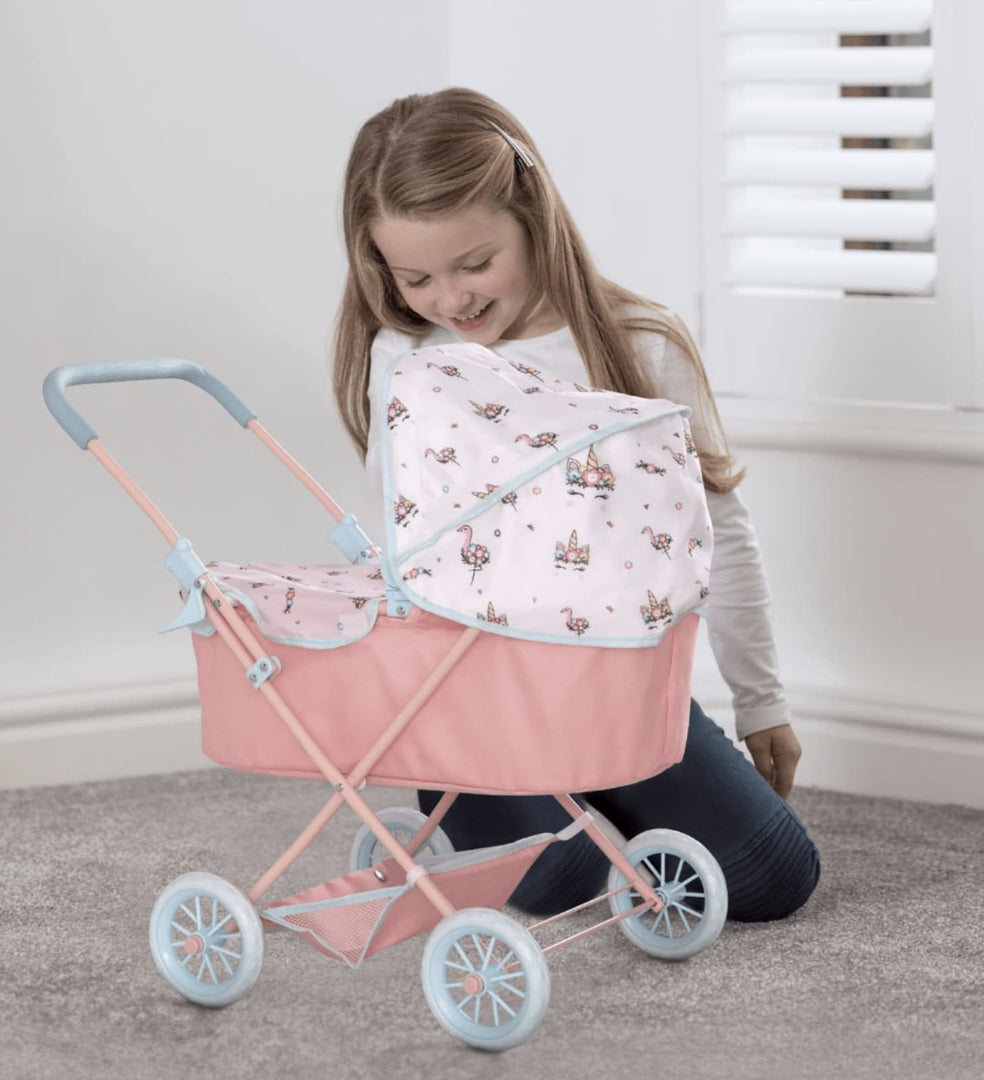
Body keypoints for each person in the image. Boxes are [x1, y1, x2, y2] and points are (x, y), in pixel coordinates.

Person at [332, 87, 819, 922]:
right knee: (553, 884)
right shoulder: (404, 355)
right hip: (473, 689)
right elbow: (397, 539)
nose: (452, 300)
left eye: (476, 264)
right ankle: (572, 814)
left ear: (533, 215)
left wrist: (761, 697)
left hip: (615, 682)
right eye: (416, 277)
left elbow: (718, 533)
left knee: (775, 878)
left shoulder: (637, 343)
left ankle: (609, 800)